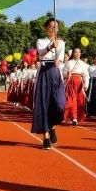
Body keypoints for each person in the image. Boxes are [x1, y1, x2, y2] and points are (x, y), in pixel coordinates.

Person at [31, 18, 66, 150]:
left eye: (55, 27)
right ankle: (46, 137)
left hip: (56, 73)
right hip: (44, 72)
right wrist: (51, 46)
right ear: (46, 28)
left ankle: (52, 127)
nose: (53, 29)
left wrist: (60, 61)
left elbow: (61, 57)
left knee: (59, 104)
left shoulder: (61, 42)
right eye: (51, 26)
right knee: (43, 105)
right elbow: (41, 52)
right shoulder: (41, 41)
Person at [63, 48, 89, 125]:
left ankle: (76, 117)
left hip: (80, 83)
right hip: (71, 82)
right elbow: (64, 74)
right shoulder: (68, 63)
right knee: (71, 100)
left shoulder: (83, 64)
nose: (77, 54)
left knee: (80, 100)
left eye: (79, 52)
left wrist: (86, 84)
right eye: (76, 52)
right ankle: (72, 117)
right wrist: (67, 74)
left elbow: (86, 75)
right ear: (73, 53)